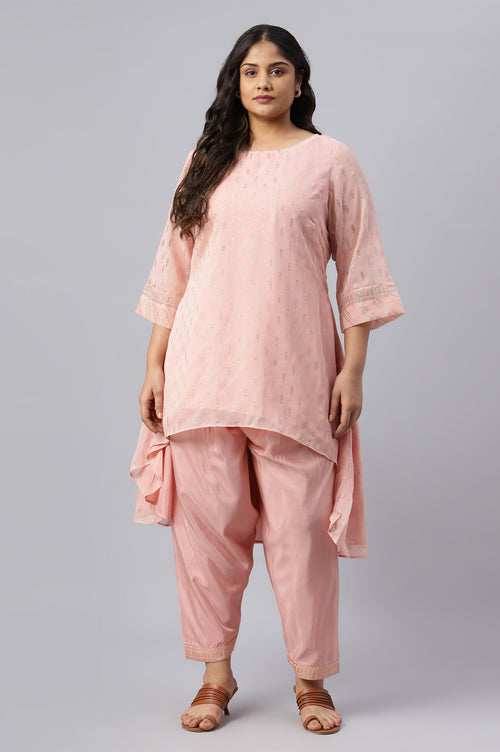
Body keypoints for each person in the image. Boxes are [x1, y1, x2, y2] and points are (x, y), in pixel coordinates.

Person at [129, 23, 405, 735]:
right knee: (205, 531)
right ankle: (214, 675)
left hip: (293, 373)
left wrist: (352, 370)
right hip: (202, 371)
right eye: (251, 71)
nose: (263, 82)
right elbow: (174, 268)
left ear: (299, 81)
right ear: (235, 82)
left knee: (301, 536)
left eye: (277, 70)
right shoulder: (206, 162)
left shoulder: (330, 161)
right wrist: (155, 363)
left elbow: (361, 271)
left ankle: (311, 680)